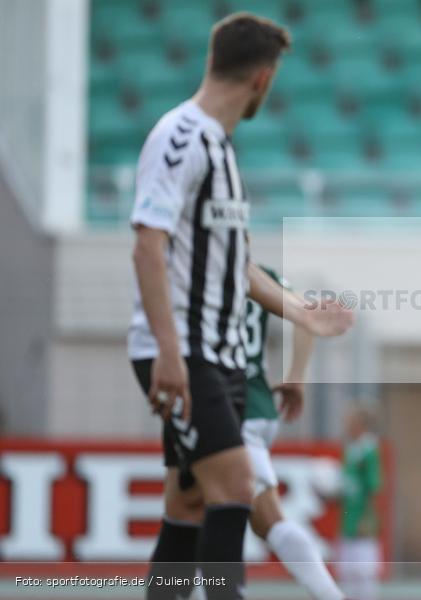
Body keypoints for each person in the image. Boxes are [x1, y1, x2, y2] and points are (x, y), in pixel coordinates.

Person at [128, 13, 291, 600]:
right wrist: (169, 355)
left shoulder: (220, 150)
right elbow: (147, 244)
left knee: (190, 500)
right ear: (263, 79)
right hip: (185, 355)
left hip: (215, 358)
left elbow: (237, 266)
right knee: (236, 488)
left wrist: (299, 312)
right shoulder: (182, 136)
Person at [242, 266, 354, 600]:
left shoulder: (210, 268)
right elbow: (307, 314)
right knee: (213, 514)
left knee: (265, 519)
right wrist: (296, 377)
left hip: (230, 407)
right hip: (261, 403)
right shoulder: (262, 274)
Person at [337, 406, 383, 600]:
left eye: (351, 421)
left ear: (361, 424)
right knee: (346, 573)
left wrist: (367, 518)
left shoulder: (368, 450)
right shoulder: (350, 450)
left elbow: (374, 487)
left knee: (364, 573)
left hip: (362, 520)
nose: (346, 426)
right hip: (348, 521)